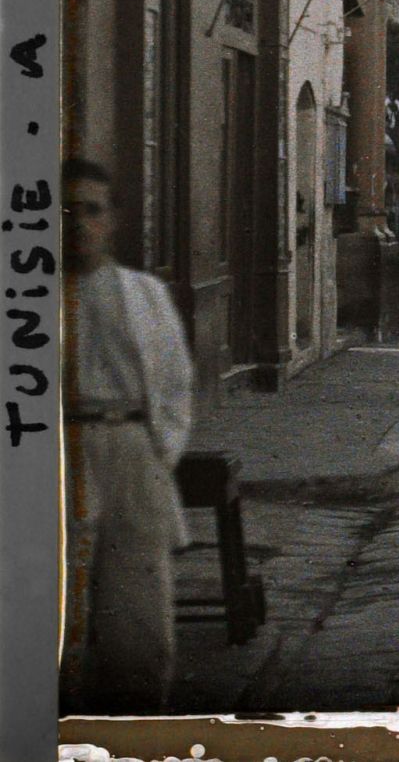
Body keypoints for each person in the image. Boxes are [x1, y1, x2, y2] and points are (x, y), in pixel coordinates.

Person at [60, 159, 195, 713]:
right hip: (59, 455)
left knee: (137, 611)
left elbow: (175, 384)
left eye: (91, 210)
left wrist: (157, 453)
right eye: (65, 211)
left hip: (131, 448)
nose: (77, 224)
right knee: (58, 608)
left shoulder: (144, 296)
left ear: (111, 219)